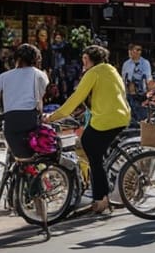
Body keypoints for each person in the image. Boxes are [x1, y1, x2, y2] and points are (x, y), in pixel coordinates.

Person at [47, 45, 130, 215]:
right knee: (96, 152)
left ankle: (101, 198)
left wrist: (52, 117)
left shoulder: (93, 72)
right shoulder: (112, 69)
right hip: (121, 117)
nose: (83, 62)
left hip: (105, 120)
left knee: (90, 148)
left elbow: (75, 98)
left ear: (92, 59)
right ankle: (103, 189)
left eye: (85, 59)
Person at [0, 43, 48, 160]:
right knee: (32, 158)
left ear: (16, 59)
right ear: (36, 60)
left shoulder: (5, 76)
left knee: (17, 157)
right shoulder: (40, 75)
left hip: (11, 121)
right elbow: (39, 97)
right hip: (30, 119)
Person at [121, 43, 152, 123]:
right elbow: (123, 78)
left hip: (141, 94)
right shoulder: (126, 64)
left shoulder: (145, 63)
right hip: (128, 94)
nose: (139, 52)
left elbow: (148, 78)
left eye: (140, 50)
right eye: (137, 50)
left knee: (142, 117)